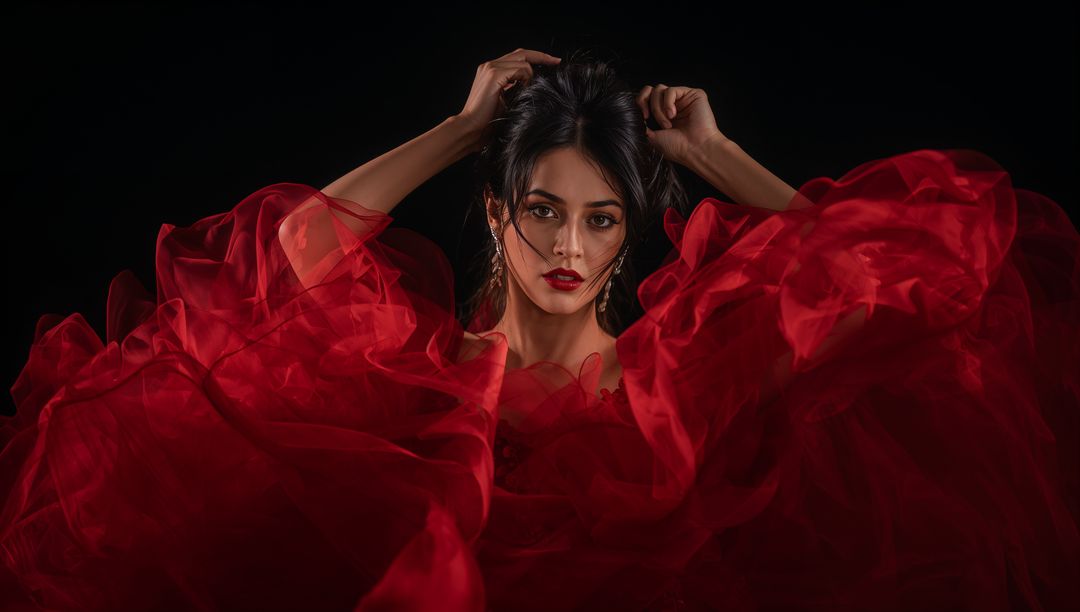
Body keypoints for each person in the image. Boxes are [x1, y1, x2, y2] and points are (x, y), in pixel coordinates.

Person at [1, 47, 1077, 611]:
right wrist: (464, 128)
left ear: (631, 231)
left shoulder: (681, 388)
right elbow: (288, 254)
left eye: (601, 219)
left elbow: (908, 276)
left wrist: (715, 160)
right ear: (497, 214)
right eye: (545, 212)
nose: (569, 246)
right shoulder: (417, 375)